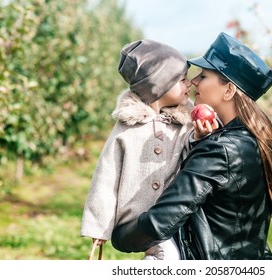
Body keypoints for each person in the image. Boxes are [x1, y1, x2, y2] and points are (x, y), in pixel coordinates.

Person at [110, 32, 272, 260]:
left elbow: (161, 220)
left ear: (228, 90)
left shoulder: (221, 149)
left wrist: (120, 236)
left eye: (204, 76)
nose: (194, 81)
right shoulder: (259, 138)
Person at [80, 38, 193, 260]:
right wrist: (99, 227)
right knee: (167, 255)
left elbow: (195, 158)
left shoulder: (186, 122)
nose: (188, 84)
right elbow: (107, 175)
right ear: (159, 86)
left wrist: (200, 134)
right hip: (136, 221)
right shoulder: (128, 128)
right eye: (182, 79)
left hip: (172, 216)